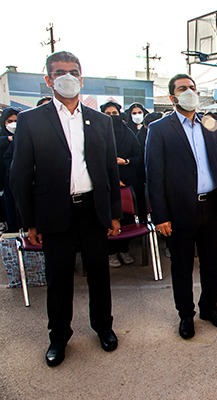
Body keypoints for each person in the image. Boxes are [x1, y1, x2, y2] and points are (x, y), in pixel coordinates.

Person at [11, 51, 122, 367]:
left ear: (82, 78)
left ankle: (103, 327)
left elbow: (110, 171)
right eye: (60, 73)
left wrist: (114, 213)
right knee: (59, 279)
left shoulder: (100, 121)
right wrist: (29, 221)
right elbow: (21, 174)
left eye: (73, 71)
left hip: (92, 209)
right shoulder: (32, 120)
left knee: (99, 273)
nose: (67, 77)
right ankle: (58, 336)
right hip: (54, 212)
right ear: (48, 80)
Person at [146, 73, 217, 340]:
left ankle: (209, 308)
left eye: (192, 87)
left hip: (212, 206)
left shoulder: (211, 125)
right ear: (172, 97)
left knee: (212, 264)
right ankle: (186, 314)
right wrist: (160, 215)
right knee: (182, 266)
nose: (189, 92)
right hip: (179, 210)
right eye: (182, 88)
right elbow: (154, 176)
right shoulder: (160, 129)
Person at [100, 100, 142, 268]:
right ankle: (111, 252)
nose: (112, 117)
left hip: (127, 182)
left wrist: (126, 161)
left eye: (115, 113)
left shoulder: (128, 134)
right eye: (107, 114)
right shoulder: (97, 133)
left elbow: (138, 156)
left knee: (127, 218)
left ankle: (124, 249)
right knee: (109, 218)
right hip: (106, 183)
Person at [1, 107, 22, 232]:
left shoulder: (25, 136)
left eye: (16, 121)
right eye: (9, 121)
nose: (13, 124)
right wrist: (8, 139)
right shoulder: (3, 136)